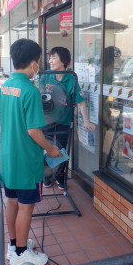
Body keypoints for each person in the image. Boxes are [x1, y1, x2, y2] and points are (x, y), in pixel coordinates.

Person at [0, 39, 61, 265]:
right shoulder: (30, 91)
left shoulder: (5, 86)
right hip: (26, 159)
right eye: (39, 62)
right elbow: (34, 130)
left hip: (8, 157)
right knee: (26, 206)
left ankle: (14, 245)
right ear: (34, 63)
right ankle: (22, 253)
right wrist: (51, 149)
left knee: (11, 202)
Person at [41, 46, 95, 189]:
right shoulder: (45, 75)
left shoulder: (71, 79)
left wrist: (86, 120)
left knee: (61, 149)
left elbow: (80, 102)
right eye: (50, 58)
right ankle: (47, 175)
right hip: (46, 120)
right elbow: (38, 95)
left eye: (54, 58)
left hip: (63, 121)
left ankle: (60, 176)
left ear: (63, 61)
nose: (50, 61)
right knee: (46, 147)